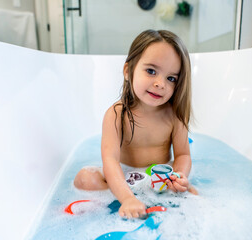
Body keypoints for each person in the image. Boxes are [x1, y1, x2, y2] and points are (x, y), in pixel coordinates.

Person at [74, 29, 198, 219]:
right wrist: (126, 197)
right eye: (151, 71)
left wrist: (179, 177)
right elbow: (110, 161)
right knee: (85, 179)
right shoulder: (116, 114)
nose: (160, 83)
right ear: (128, 71)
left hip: (159, 178)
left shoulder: (174, 115)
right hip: (124, 177)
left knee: (193, 193)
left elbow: (182, 154)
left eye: (171, 78)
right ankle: (128, 200)